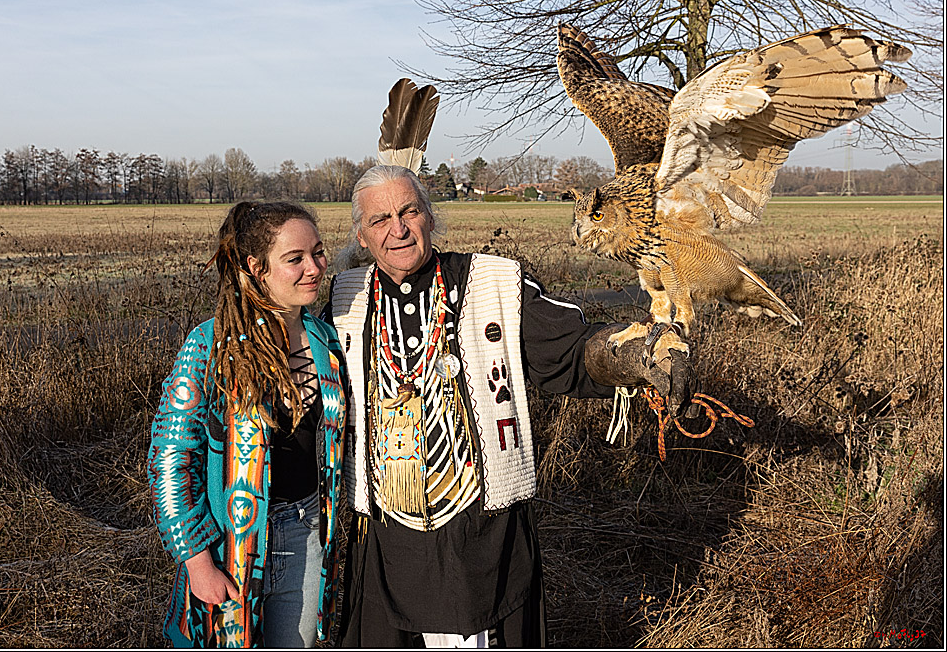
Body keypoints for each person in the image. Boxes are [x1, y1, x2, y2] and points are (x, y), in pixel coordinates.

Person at [323, 165, 695, 647]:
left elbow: (571, 350)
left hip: (478, 536)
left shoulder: (493, 284)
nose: (399, 229)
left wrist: (636, 355)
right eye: (380, 220)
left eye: (409, 211)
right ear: (361, 235)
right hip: (384, 536)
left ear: (430, 217)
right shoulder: (343, 302)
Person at [147, 200, 348, 648]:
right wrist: (197, 562)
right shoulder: (210, 347)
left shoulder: (327, 340)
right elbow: (170, 461)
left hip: (308, 535)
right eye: (295, 259)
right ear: (257, 268)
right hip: (231, 545)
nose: (314, 268)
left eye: (318, 252)